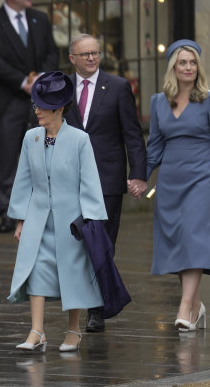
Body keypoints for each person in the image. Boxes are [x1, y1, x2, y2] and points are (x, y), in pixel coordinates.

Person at [7, 71, 108, 353]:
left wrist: (91, 221)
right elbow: (23, 180)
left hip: (71, 221)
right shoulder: (31, 138)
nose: (36, 110)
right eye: (35, 105)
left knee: (72, 274)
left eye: (42, 106)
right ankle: (36, 331)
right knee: (36, 271)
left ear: (59, 109)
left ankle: (74, 330)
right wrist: (20, 220)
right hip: (38, 218)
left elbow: (90, 181)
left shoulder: (79, 139)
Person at [64, 33, 147, 332]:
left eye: (95, 53)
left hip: (108, 178)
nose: (91, 58)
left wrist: (138, 173)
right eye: (84, 54)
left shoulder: (118, 87)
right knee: (75, 243)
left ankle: (97, 309)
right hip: (69, 178)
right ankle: (84, 298)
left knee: (103, 242)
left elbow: (133, 134)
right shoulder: (61, 87)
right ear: (72, 58)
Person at [0, 0, 59, 233]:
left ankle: (42, 209)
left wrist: (39, 79)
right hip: (7, 99)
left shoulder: (40, 18)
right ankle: (8, 213)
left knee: (42, 155)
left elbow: (52, 52)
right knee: (7, 157)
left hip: (40, 97)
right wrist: (23, 82)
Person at [145, 39, 209, 333]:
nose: (188, 68)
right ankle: (195, 306)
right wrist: (139, 178)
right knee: (177, 241)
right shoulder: (158, 101)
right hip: (170, 181)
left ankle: (185, 307)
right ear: (173, 67)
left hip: (202, 178)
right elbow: (155, 145)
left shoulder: (207, 99)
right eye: (182, 62)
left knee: (193, 237)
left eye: (193, 62)